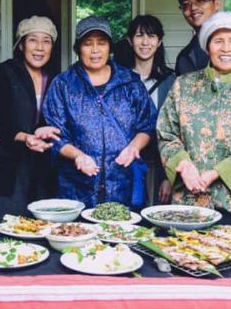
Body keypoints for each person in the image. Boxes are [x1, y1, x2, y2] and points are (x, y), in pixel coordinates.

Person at [157, 11, 231, 219]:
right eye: (218, 41)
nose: (226, 48)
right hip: (190, 203)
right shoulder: (183, 85)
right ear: (207, 47)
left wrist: (216, 173)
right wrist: (184, 166)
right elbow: (166, 134)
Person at [42, 16, 156, 208]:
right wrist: (77, 155)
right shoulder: (63, 85)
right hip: (76, 191)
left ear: (110, 48)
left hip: (124, 187)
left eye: (101, 43)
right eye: (88, 44)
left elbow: (148, 124)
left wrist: (134, 147)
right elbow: (54, 135)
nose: (95, 50)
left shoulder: (130, 83)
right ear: (78, 48)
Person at [0, 16, 61, 214]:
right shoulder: (4, 72)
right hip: (10, 168)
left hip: (45, 169)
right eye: (32, 40)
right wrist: (24, 137)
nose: (39, 47)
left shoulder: (56, 78)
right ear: (21, 45)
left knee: (44, 225)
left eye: (46, 41)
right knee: (8, 226)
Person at [117, 15, 176, 205]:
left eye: (151, 36)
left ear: (159, 42)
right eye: (139, 35)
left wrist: (170, 176)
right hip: (125, 164)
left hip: (160, 165)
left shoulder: (172, 81)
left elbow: (176, 130)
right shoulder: (119, 79)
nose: (145, 42)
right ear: (129, 40)